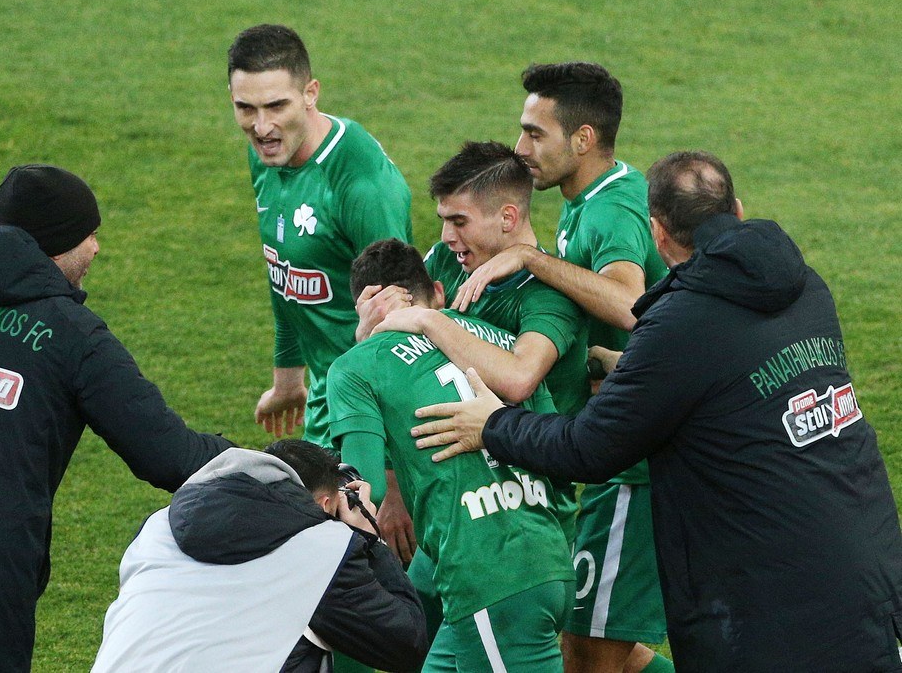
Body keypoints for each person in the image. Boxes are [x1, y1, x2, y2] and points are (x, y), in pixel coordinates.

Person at [411, 151, 902, 672]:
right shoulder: (806, 287)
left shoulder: (680, 323)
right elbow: (735, 378)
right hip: (868, 560)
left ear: (657, 234)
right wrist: (634, 370)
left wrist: (493, 425)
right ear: (737, 210)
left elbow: (587, 449)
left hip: (775, 602)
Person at [0, 164, 235, 672]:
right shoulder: (72, 335)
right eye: (89, 234)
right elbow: (172, 457)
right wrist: (280, 465)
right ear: (57, 244)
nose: (96, 248)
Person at [449, 62, 670, 673]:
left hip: (635, 466)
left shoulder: (611, 209)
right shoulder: (587, 201)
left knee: (587, 650)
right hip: (620, 445)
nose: (520, 149)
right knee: (601, 643)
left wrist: (531, 259)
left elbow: (629, 305)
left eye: (534, 134)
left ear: (582, 139)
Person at [327, 239, 575, 672]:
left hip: (489, 578)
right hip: (546, 558)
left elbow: (364, 492)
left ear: (364, 307)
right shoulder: (500, 343)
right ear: (437, 293)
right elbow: (557, 455)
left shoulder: (357, 366)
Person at [228, 23, 413, 449]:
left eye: (276, 106)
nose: (261, 127)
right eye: (245, 108)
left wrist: (385, 458)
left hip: (369, 407)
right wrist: (288, 380)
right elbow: (284, 274)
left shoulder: (362, 184)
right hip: (326, 396)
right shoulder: (270, 156)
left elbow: (402, 317)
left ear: (310, 93)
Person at [92, 440, 428, 672]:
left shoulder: (157, 526)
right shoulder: (323, 547)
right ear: (327, 504)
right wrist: (368, 539)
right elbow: (406, 644)